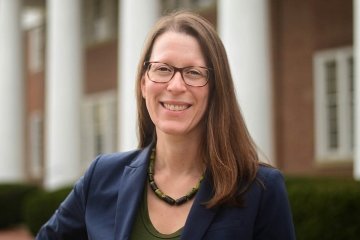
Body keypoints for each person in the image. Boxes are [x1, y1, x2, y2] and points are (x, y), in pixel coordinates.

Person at [36, 11, 296, 240]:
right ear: (143, 84)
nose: (175, 85)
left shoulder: (260, 189)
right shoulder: (101, 177)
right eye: (162, 69)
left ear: (216, 90)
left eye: (193, 73)